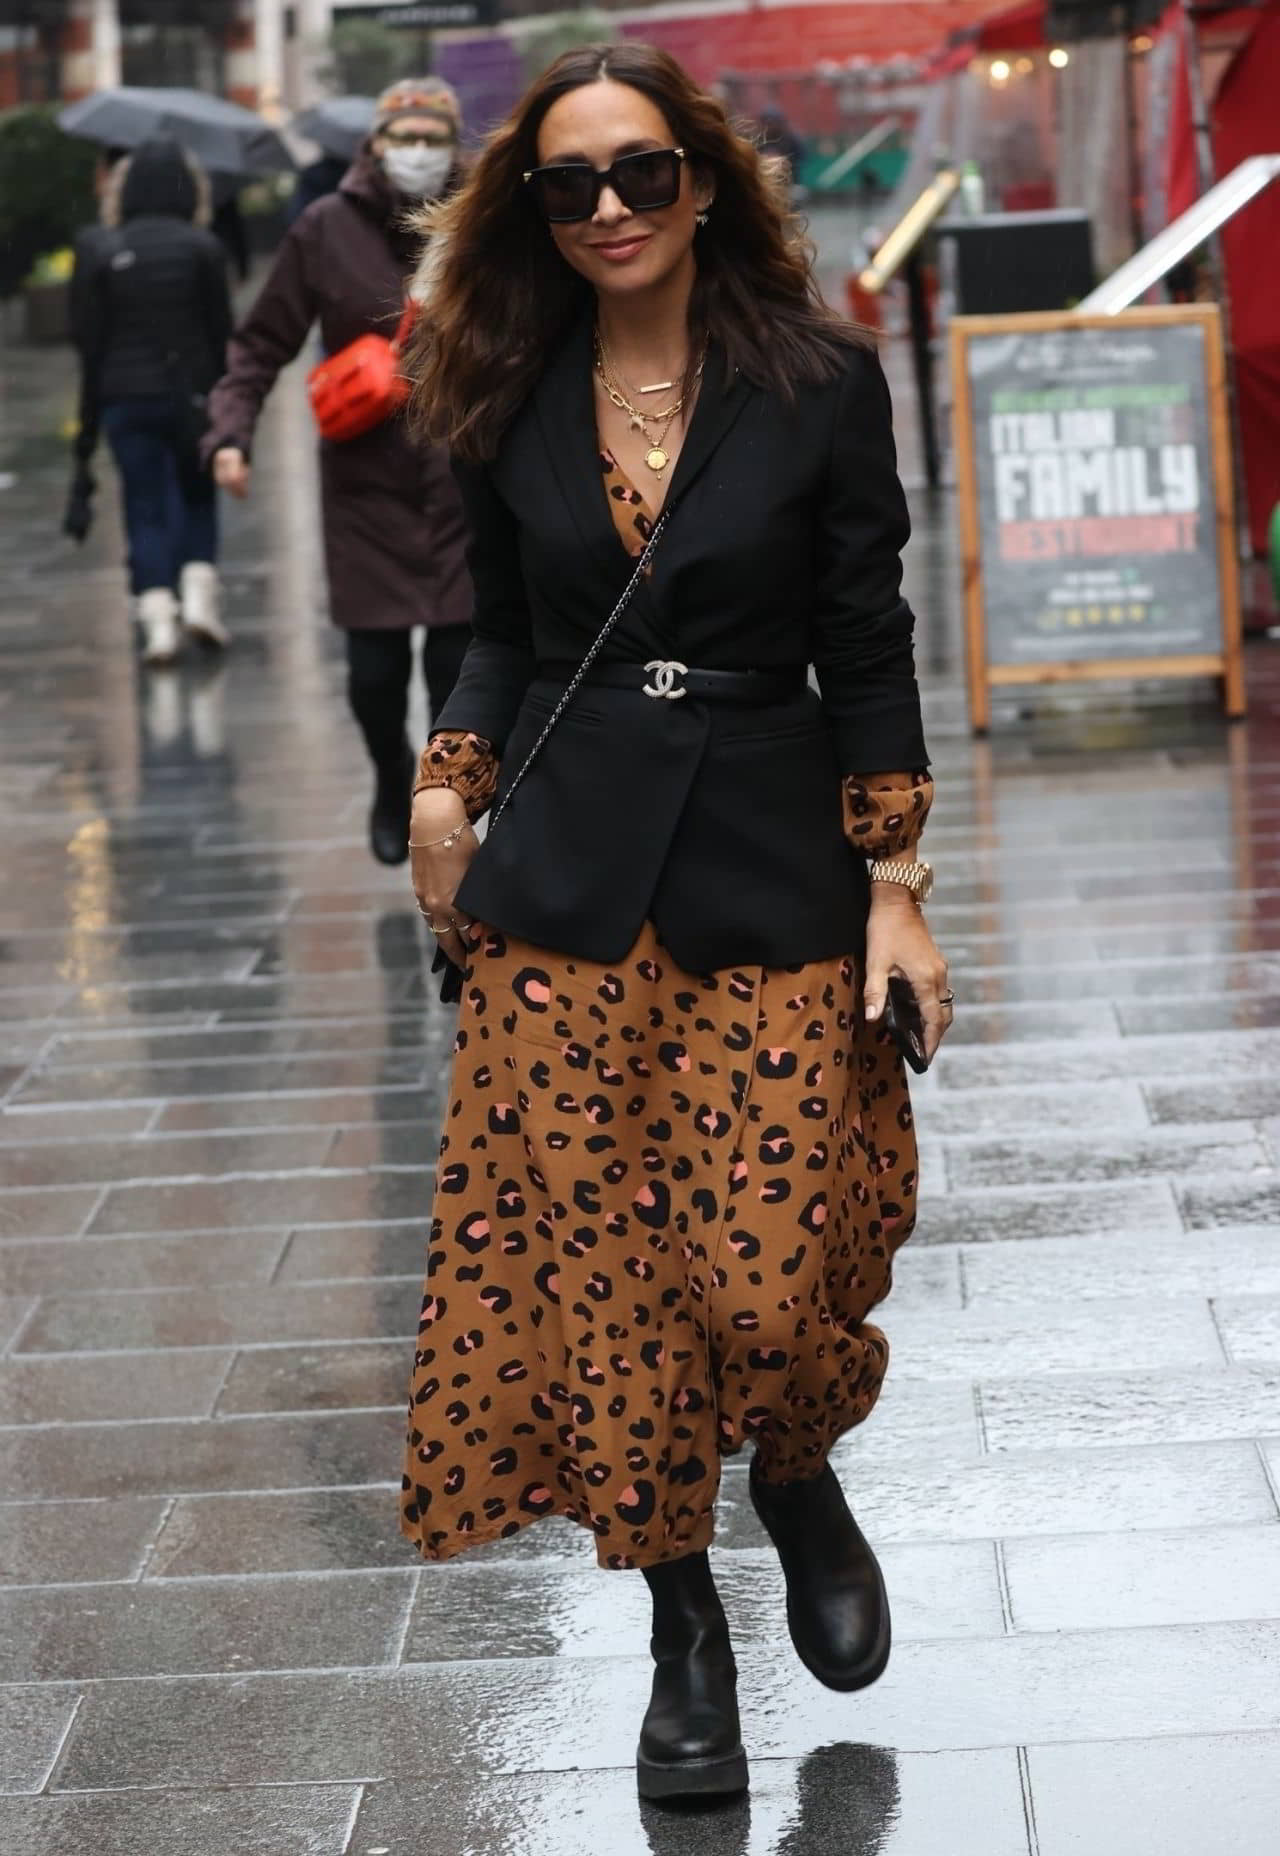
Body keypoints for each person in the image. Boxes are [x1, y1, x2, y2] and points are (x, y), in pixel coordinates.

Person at [399, 43, 952, 1805]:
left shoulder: (814, 381)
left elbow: (865, 637)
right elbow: (501, 626)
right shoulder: (501, 383)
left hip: (770, 872)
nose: (613, 209)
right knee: (612, 1299)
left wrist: (897, 882)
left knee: (771, 1283)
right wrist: (447, 778)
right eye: (571, 186)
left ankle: (795, 1467)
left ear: (703, 180)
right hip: (566, 895)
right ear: (535, 214)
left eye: (642, 173)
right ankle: (683, 1637)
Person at [205, 78, 473, 865]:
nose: (418, 152)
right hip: (366, 481)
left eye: (433, 137)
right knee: (374, 671)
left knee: (460, 667)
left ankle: (436, 800)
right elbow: (260, 342)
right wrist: (231, 431)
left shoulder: (480, 223)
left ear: (454, 144)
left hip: (463, 476)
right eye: (405, 136)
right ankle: (391, 776)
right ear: (376, 142)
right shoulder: (324, 228)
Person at [69, 137, 232, 666]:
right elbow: (219, 334)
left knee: (144, 505)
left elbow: (88, 342)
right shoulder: (202, 247)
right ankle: (200, 597)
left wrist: (87, 431)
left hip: (124, 398)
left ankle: (158, 620)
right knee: (198, 495)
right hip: (191, 397)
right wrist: (226, 407)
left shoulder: (100, 248)